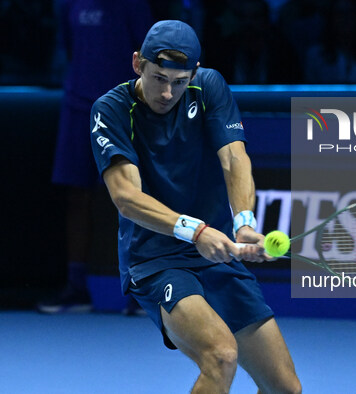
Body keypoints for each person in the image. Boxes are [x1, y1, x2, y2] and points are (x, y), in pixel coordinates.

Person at [89, 20, 301, 393]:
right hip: (155, 259)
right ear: (137, 63)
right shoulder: (111, 110)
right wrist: (196, 231)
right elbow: (127, 197)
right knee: (220, 356)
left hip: (217, 256)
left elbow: (234, 159)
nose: (168, 92)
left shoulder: (209, 87)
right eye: (159, 78)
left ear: (195, 74)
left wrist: (245, 223)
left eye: (180, 81)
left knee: (286, 388)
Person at [38, 0, 153, 314]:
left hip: (122, 110)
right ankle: (77, 288)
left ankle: (139, 289)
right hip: (78, 107)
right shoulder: (67, 4)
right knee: (77, 195)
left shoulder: (132, 6)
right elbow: (70, 48)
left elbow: (146, 58)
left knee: (131, 198)